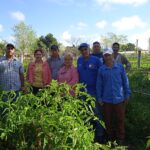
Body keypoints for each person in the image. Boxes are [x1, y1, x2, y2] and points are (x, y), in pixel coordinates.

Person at [96, 48, 131, 145]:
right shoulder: (101, 69)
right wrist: (99, 98)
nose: (107, 57)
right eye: (105, 55)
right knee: (108, 120)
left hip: (119, 99)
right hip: (106, 100)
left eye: (109, 55)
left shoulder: (120, 67)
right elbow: (99, 85)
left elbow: (125, 81)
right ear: (103, 57)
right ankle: (110, 138)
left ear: (112, 55)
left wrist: (127, 94)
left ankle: (120, 139)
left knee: (120, 119)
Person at [77, 43, 104, 143]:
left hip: (94, 92)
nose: (84, 51)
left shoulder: (96, 60)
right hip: (83, 92)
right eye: (82, 50)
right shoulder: (79, 60)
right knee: (86, 113)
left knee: (97, 113)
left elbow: (101, 75)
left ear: (89, 50)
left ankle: (100, 135)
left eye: (85, 49)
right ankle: (89, 134)